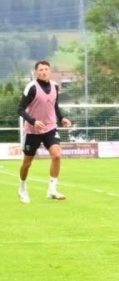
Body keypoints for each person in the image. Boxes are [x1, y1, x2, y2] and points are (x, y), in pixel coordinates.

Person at [16, 60, 72, 203]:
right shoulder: (31, 87)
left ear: (50, 71)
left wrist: (62, 118)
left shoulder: (55, 86)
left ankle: (52, 190)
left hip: (50, 128)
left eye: (46, 69)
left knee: (57, 155)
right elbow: (20, 109)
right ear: (36, 72)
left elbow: (54, 105)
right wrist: (33, 121)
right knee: (27, 163)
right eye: (41, 70)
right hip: (32, 131)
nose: (44, 72)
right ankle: (22, 188)